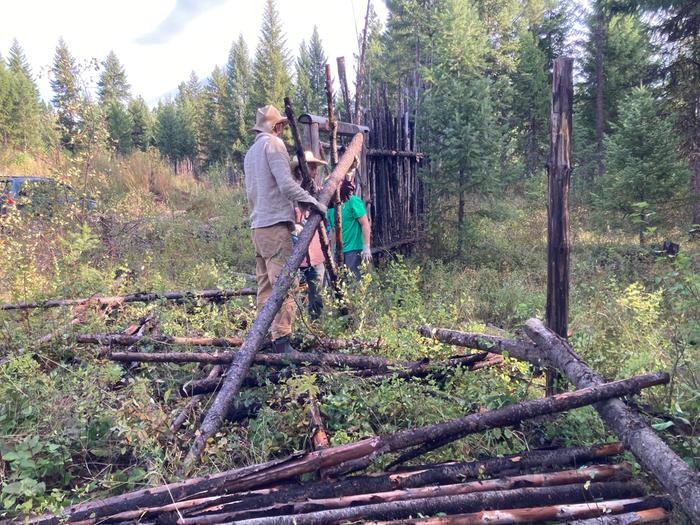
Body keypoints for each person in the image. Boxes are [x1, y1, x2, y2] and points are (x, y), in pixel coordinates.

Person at [243, 105, 327, 353]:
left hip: (258, 228)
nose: (282, 130)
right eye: (281, 126)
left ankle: (263, 339)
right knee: (285, 284)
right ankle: (282, 341)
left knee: (265, 288)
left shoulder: (250, 153)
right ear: (276, 127)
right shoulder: (274, 146)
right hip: (275, 226)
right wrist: (313, 202)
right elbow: (286, 184)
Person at [291, 151, 328, 320]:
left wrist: (348, 175)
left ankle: (316, 331)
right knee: (298, 299)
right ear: (301, 170)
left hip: (316, 257)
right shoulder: (289, 194)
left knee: (317, 298)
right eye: (311, 168)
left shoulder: (317, 193)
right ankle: (301, 332)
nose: (314, 172)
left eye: (315, 168)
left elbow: (341, 195)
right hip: (297, 260)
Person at [328, 167, 372, 279]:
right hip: (339, 251)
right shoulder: (331, 208)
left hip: (353, 249)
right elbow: (333, 230)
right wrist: (332, 251)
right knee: (341, 283)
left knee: (354, 283)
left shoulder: (352, 201)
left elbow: (365, 224)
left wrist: (366, 247)